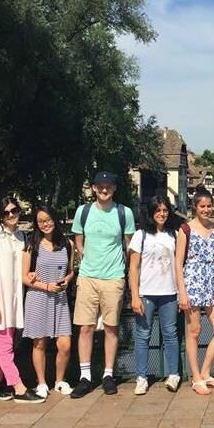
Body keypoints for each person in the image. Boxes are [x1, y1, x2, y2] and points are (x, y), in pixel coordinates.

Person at [70, 171, 135, 399]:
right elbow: (78, 238)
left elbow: (129, 245)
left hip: (113, 276)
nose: (104, 189)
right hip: (88, 276)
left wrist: (125, 272)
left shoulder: (123, 213)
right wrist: (84, 255)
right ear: (94, 188)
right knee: (85, 327)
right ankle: (85, 376)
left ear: (114, 188)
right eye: (100, 186)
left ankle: (108, 374)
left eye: (109, 185)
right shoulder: (83, 211)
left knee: (111, 327)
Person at [0, 197, 43, 403]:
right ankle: (17, 385)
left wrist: (31, 275)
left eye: (14, 211)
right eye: (6, 212)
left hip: (16, 297)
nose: (11, 215)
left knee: (4, 342)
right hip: (0, 297)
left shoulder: (20, 237)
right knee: (4, 343)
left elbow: (22, 268)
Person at [175, 187, 214, 395]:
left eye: (209, 206)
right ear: (195, 207)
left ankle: (206, 372)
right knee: (194, 331)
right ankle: (195, 376)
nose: (206, 210)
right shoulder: (185, 230)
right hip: (192, 283)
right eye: (202, 206)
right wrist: (182, 292)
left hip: (212, 284)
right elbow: (178, 262)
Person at [129, 194, 181, 395]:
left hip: (169, 291)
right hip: (147, 292)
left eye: (165, 210)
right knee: (143, 335)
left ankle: (174, 374)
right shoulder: (141, 235)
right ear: (151, 213)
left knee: (170, 334)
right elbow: (133, 268)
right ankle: (141, 376)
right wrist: (135, 295)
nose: (162, 214)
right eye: (158, 210)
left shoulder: (174, 234)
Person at [22, 205, 74, 398]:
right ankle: (41, 382)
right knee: (39, 342)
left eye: (49, 219)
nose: (45, 224)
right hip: (38, 297)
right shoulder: (31, 245)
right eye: (41, 221)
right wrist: (46, 286)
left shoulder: (67, 244)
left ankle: (60, 381)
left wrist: (66, 281)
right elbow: (24, 277)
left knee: (65, 344)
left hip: (59, 299)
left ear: (55, 219)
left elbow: (70, 271)